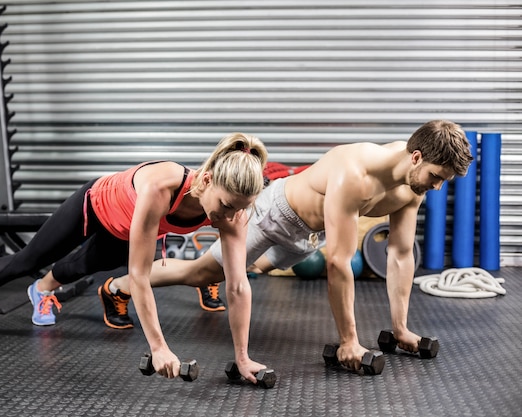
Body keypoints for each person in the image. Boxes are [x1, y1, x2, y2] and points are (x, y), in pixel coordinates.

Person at [100, 120, 474, 378]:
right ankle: (118, 287)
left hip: (308, 235)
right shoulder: (355, 174)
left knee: (253, 270)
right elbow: (340, 264)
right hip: (275, 213)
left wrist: (400, 329)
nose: (437, 188)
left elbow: (401, 254)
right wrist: (349, 342)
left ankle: (217, 275)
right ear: (417, 157)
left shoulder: (413, 187)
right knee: (203, 271)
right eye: (437, 178)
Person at [0, 132, 268, 378]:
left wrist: (242, 357)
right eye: (226, 205)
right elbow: (139, 276)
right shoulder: (162, 188)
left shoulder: (233, 213)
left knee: (78, 268)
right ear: (208, 180)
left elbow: (238, 286)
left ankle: (42, 290)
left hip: (124, 230)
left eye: (241, 208)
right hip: (94, 204)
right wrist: (159, 347)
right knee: (28, 260)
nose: (231, 216)